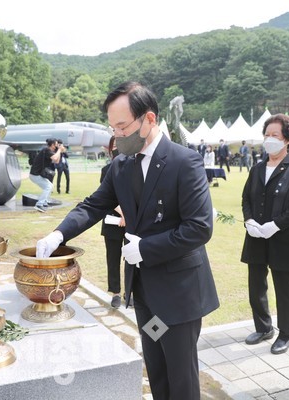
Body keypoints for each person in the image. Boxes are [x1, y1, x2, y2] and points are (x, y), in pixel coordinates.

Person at [36, 81, 219, 399]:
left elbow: (199, 228)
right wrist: (58, 234)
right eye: (112, 127)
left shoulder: (183, 162)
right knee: (157, 368)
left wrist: (145, 248)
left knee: (182, 377)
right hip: (145, 292)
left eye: (122, 126)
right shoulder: (121, 166)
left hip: (178, 294)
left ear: (149, 119)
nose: (117, 135)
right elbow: (93, 206)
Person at [240, 113, 289, 355]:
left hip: (283, 237)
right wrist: (249, 220)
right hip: (256, 235)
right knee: (256, 284)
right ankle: (263, 327)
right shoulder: (258, 168)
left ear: (287, 139)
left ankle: (286, 334)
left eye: (275, 135)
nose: (270, 139)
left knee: (285, 287)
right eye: (267, 135)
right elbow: (246, 197)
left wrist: (275, 225)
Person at [100, 136, 126, 309]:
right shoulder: (107, 169)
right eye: (113, 146)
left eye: (119, 144)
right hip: (113, 219)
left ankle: (130, 292)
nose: (117, 148)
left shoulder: (137, 167)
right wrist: (124, 214)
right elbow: (106, 197)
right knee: (113, 256)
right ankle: (116, 293)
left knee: (133, 259)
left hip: (133, 222)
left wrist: (130, 217)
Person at [29, 138, 61, 212]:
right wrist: (59, 150)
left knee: (49, 186)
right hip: (35, 175)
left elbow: (56, 161)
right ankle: (39, 204)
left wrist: (59, 151)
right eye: (56, 144)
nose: (57, 146)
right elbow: (55, 158)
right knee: (48, 186)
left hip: (37, 174)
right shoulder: (46, 150)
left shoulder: (47, 151)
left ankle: (44, 203)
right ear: (53, 145)